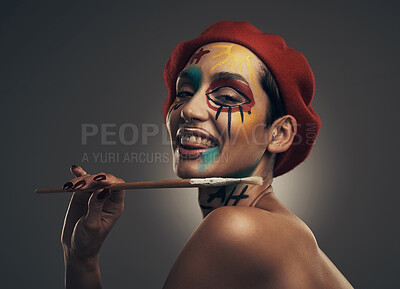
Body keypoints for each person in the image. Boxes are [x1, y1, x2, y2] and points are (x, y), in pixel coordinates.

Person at [61, 21, 354, 288]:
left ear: (279, 134)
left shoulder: (236, 229)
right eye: (185, 92)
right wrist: (80, 257)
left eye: (227, 97)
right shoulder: (275, 230)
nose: (189, 110)